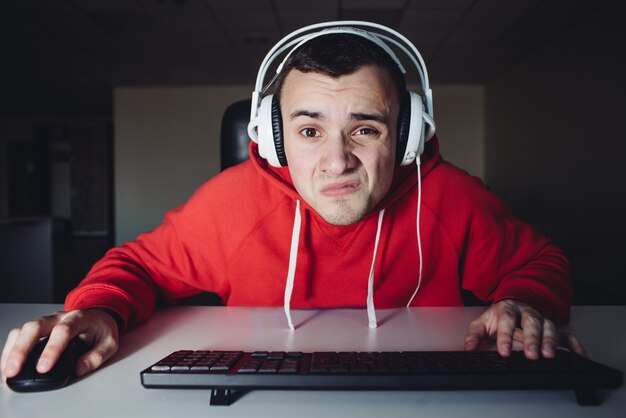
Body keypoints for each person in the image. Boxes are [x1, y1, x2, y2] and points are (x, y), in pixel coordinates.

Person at [1, 22, 584, 383]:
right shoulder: (231, 205)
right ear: (274, 138)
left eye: (366, 129)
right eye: (309, 131)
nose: (336, 161)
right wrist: (99, 309)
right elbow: (137, 265)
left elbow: (540, 262)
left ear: (407, 137)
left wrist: (523, 300)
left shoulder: (451, 198)